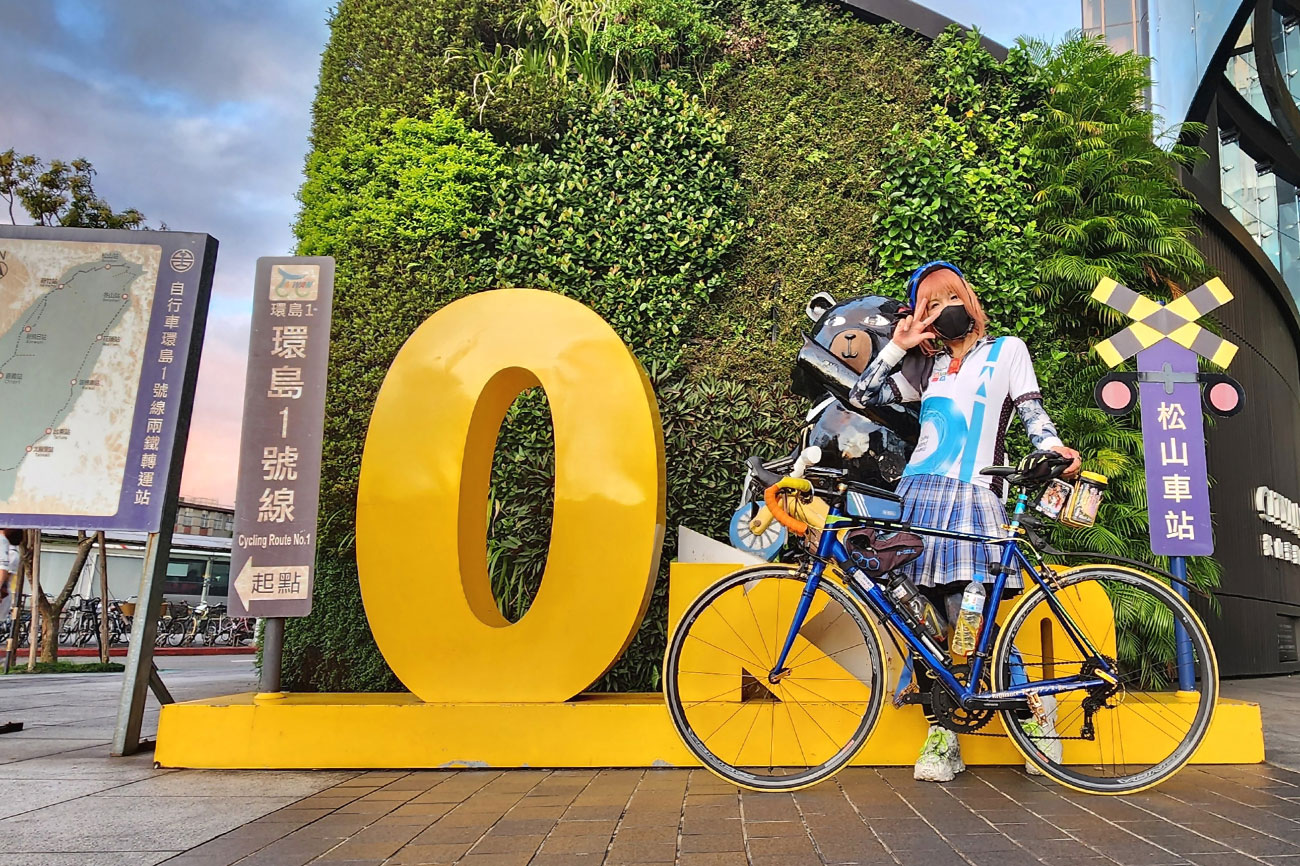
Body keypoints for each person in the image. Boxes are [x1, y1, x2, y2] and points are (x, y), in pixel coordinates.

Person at [847, 261, 1081, 782]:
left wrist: (1052, 448)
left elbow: (1031, 413)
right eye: (931, 304)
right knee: (918, 622)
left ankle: (1035, 720)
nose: (944, 309)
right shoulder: (925, 370)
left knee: (968, 615)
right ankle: (942, 733)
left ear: (969, 300)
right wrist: (899, 344)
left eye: (950, 296)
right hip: (916, 498)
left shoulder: (1007, 351)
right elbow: (864, 397)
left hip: (975, 497)